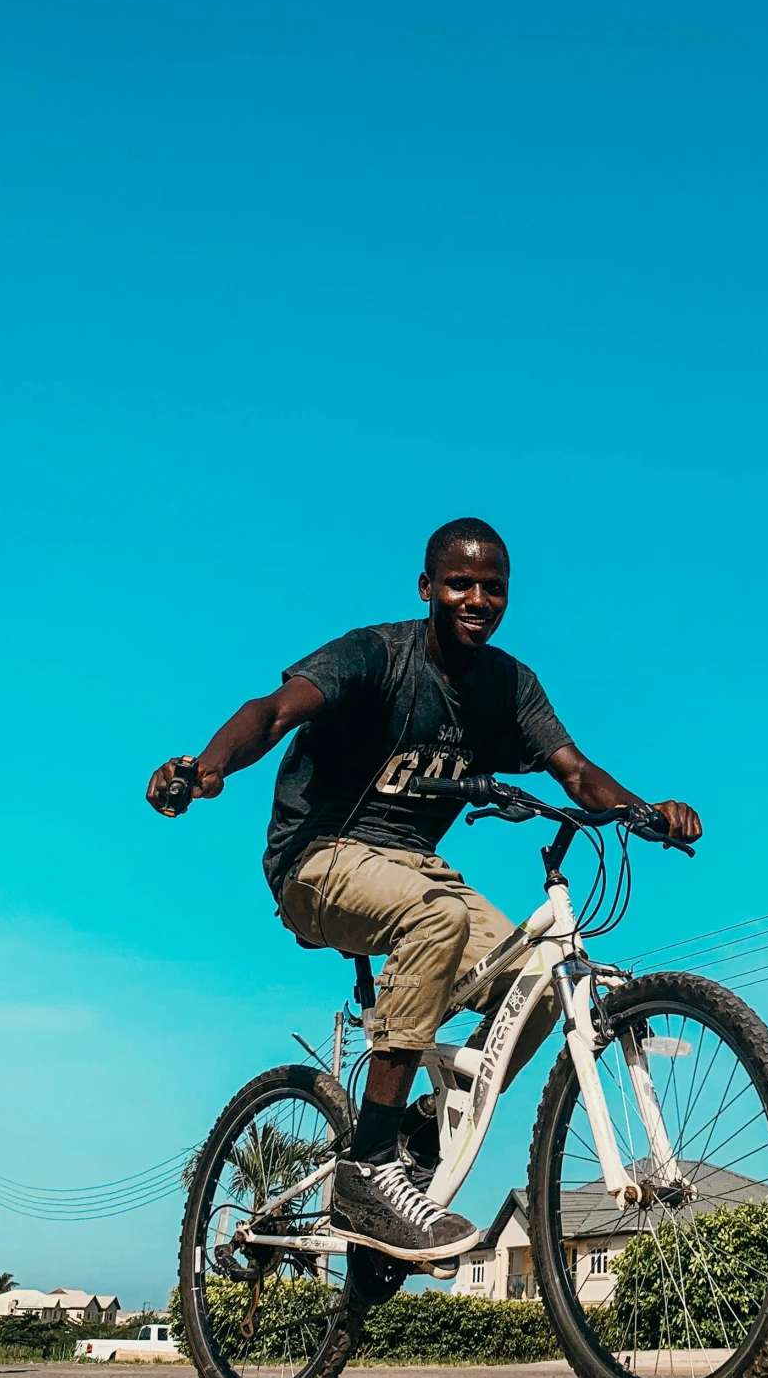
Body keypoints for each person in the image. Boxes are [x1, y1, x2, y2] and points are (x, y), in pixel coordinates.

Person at [145, 517, 701, 1259]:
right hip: (318, 858)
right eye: (460, 583)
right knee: (433, 918)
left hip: (416, 869)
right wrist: (206, 766)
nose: (477, 598)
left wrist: (642, 811)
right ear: (427, 588)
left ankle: (416, 1139)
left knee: (537, 977)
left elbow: (573, 771)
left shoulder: (510, 685)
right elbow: (271, 713)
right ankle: (368, 1167)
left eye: (493, 587)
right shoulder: (376, 655)